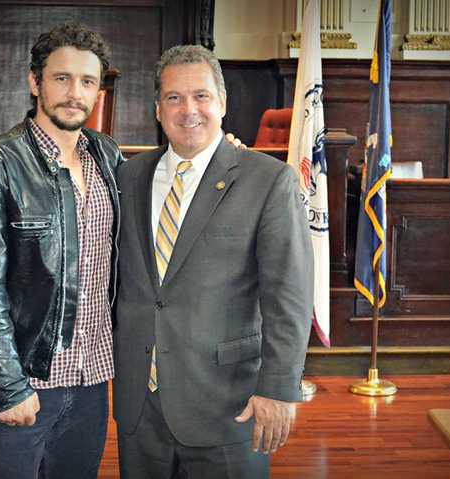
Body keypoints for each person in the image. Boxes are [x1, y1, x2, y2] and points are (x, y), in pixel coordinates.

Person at [112, 44, 314, 478]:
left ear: (222, 103)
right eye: (173, 97)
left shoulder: (268, 181)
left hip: (227, 405)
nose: (189, 109)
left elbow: (289, 296)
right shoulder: (128, 177)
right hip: (139, 408)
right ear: (157, 108)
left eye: (201, 96)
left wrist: (279, 389)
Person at [0, 24, 122, 479]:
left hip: (92, 383)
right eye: (62, 78)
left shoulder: (107, 155)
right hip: (26, 380)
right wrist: (7, 386)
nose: (75, 93)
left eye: (87, 82)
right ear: (35, 82)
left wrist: (225, 151)